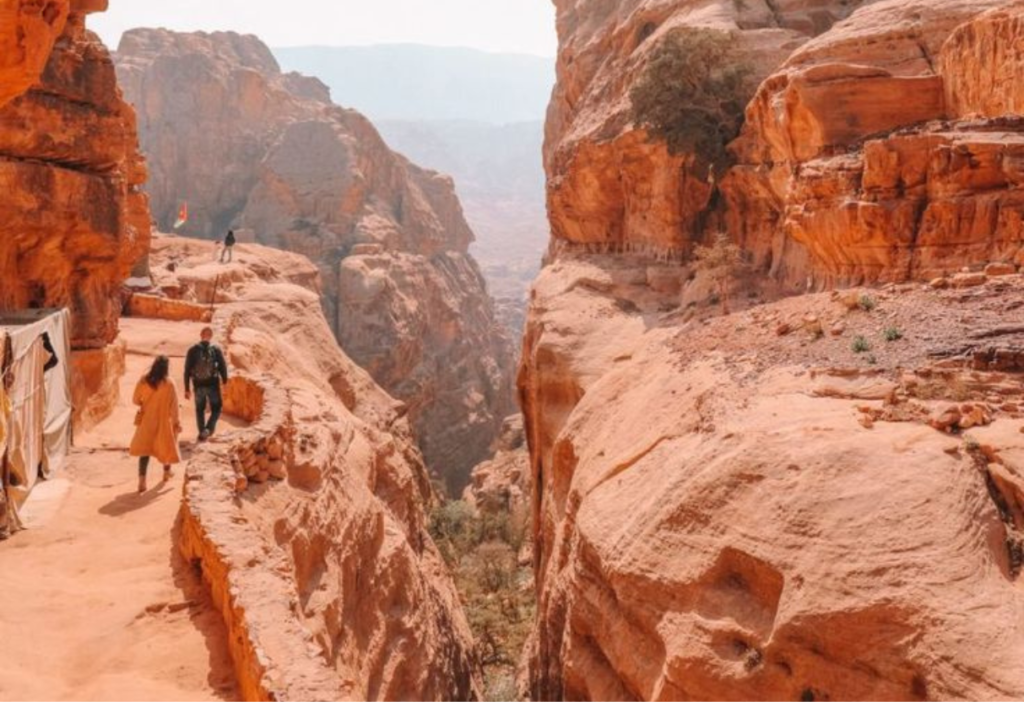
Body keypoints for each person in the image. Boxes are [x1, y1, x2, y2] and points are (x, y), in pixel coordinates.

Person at [129, 356, 182, 494]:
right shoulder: (169, 383)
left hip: (147, 420)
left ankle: (142, 481)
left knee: (144, 450)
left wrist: (144, 403)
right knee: (166, 447)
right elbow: (174, 406)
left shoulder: (144, 379)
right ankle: (167, 472)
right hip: (164, 421)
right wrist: (176, 422)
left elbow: (135, 399)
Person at [184, 327, 228, 441]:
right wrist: (225, 382)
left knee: (199, 409)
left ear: (201, 335)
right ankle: (208, 429)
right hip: (213, 385)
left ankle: (202, 432)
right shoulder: (215, 349)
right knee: (217, 408)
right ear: (211, 336)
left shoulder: (192, 350)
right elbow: (223, 367)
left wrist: (187, 388)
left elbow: (187, 370)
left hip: (198, 386)